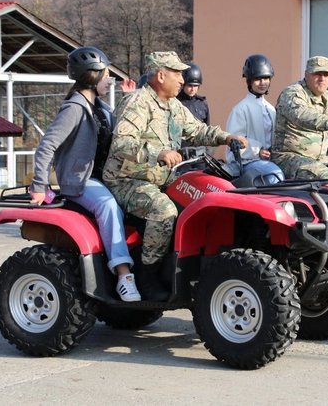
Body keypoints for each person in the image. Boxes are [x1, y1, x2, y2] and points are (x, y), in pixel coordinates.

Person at [102, 51, 248, 301]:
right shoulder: (138, 102)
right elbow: (122, 144)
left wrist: (227, 137)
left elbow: (197, 130)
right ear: (161, 76)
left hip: (161, 177)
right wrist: (158, 153)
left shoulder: (173, 105)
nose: (182, 79)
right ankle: (148, 276)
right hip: (128, 179)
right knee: (164, 210)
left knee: (201, 195)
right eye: (177, 74)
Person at [30, 46, 140, 302]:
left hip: (105, 177)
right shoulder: (75, 108)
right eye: (106, 75)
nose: (109, 80)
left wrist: (128, 99)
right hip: (82, 180)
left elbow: (121, 132)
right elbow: (47, 145)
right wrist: (38, 185)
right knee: (107, 206)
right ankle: (124, 275)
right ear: (92, 76)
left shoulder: (100, 107)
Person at [225, 54, 285, 184]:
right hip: (247, 162)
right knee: (275, 175)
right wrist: (258, 151)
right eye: (258, 79)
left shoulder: (271, 108)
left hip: (269, 161)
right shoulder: (241, 109)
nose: (263, 83)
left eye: (266, 78)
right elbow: (234, 142)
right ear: (249, 81)